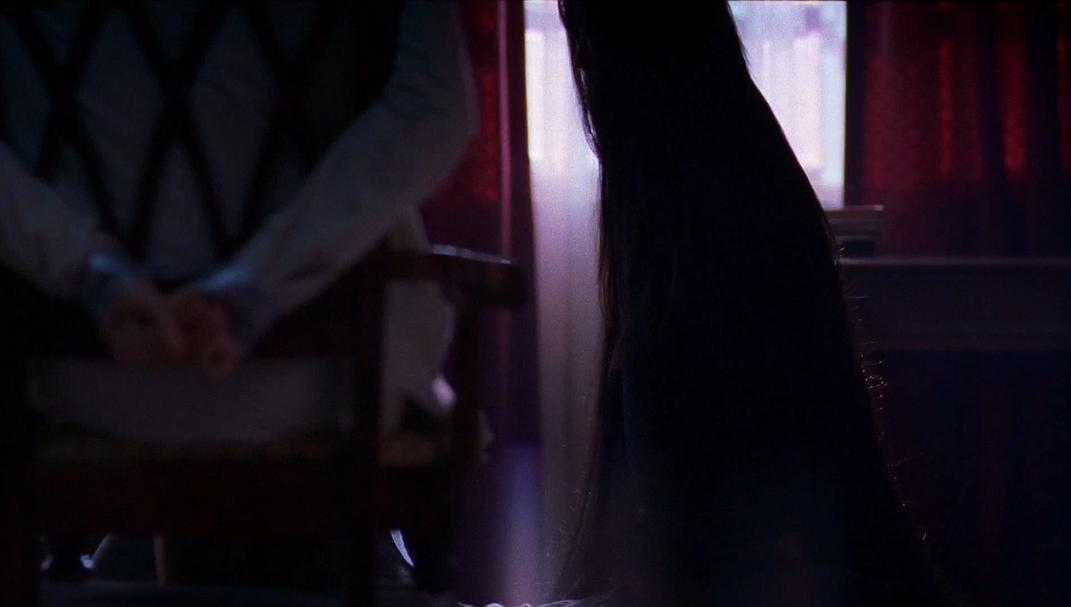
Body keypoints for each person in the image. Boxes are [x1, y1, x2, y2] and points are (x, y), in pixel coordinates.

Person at [0, 0, 475, 587]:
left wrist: (90, 271)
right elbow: (435, 110)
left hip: (74, 382)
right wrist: (252, 288)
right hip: (332, 384)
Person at [553, 2, 960, 605]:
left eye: (591, 59)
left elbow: (693, 541)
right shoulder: (726, 186)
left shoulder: (708, 234)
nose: (587, 91)